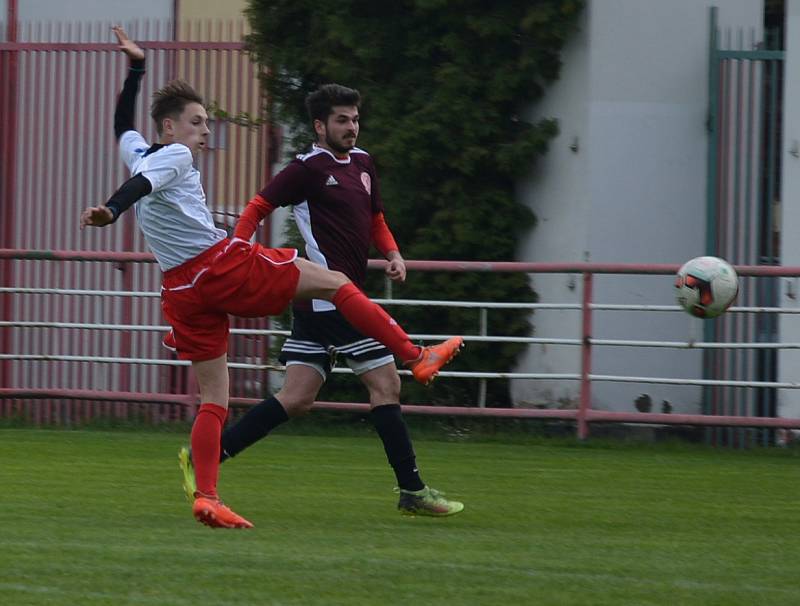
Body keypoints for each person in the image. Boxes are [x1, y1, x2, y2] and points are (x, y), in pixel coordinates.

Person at [80, 27, 464, 529]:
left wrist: (135, 69)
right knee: (333, 283)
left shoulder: (141, 148)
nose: (205, 131)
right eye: (197, 122)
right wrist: (112, 210)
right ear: (170, 128)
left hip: (178, 288)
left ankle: (207, 495)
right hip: (218, 265)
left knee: (217, 398)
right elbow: (141, 185)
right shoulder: (176, 155)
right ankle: (417, 355)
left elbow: (119, 128)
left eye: (206, 122)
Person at [186, 83, 464, 517]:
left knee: (296, 397)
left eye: (354, 119)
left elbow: (375, 217)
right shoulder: (307, 168)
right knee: (386, 384)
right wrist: (236, 249)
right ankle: (411, 489)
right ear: (320, 126)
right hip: (328, 300)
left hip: (336, 299)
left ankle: (207, 457)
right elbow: (258, 206)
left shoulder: (364, 163)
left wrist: (391, 253)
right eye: (341, 120)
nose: (351, 127)